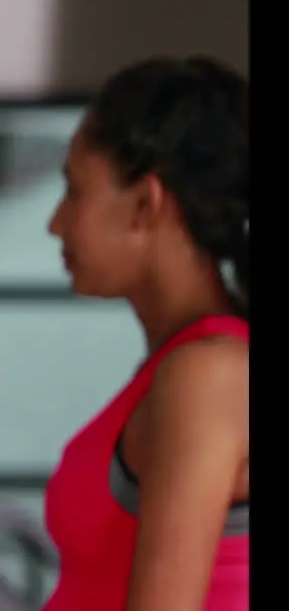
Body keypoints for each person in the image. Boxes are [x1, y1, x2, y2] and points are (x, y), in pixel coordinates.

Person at [43, 56, 249, 610]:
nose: (55, 223)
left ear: (145, 203)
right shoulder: (180, 368)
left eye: (74, 190)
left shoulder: (211, 375)